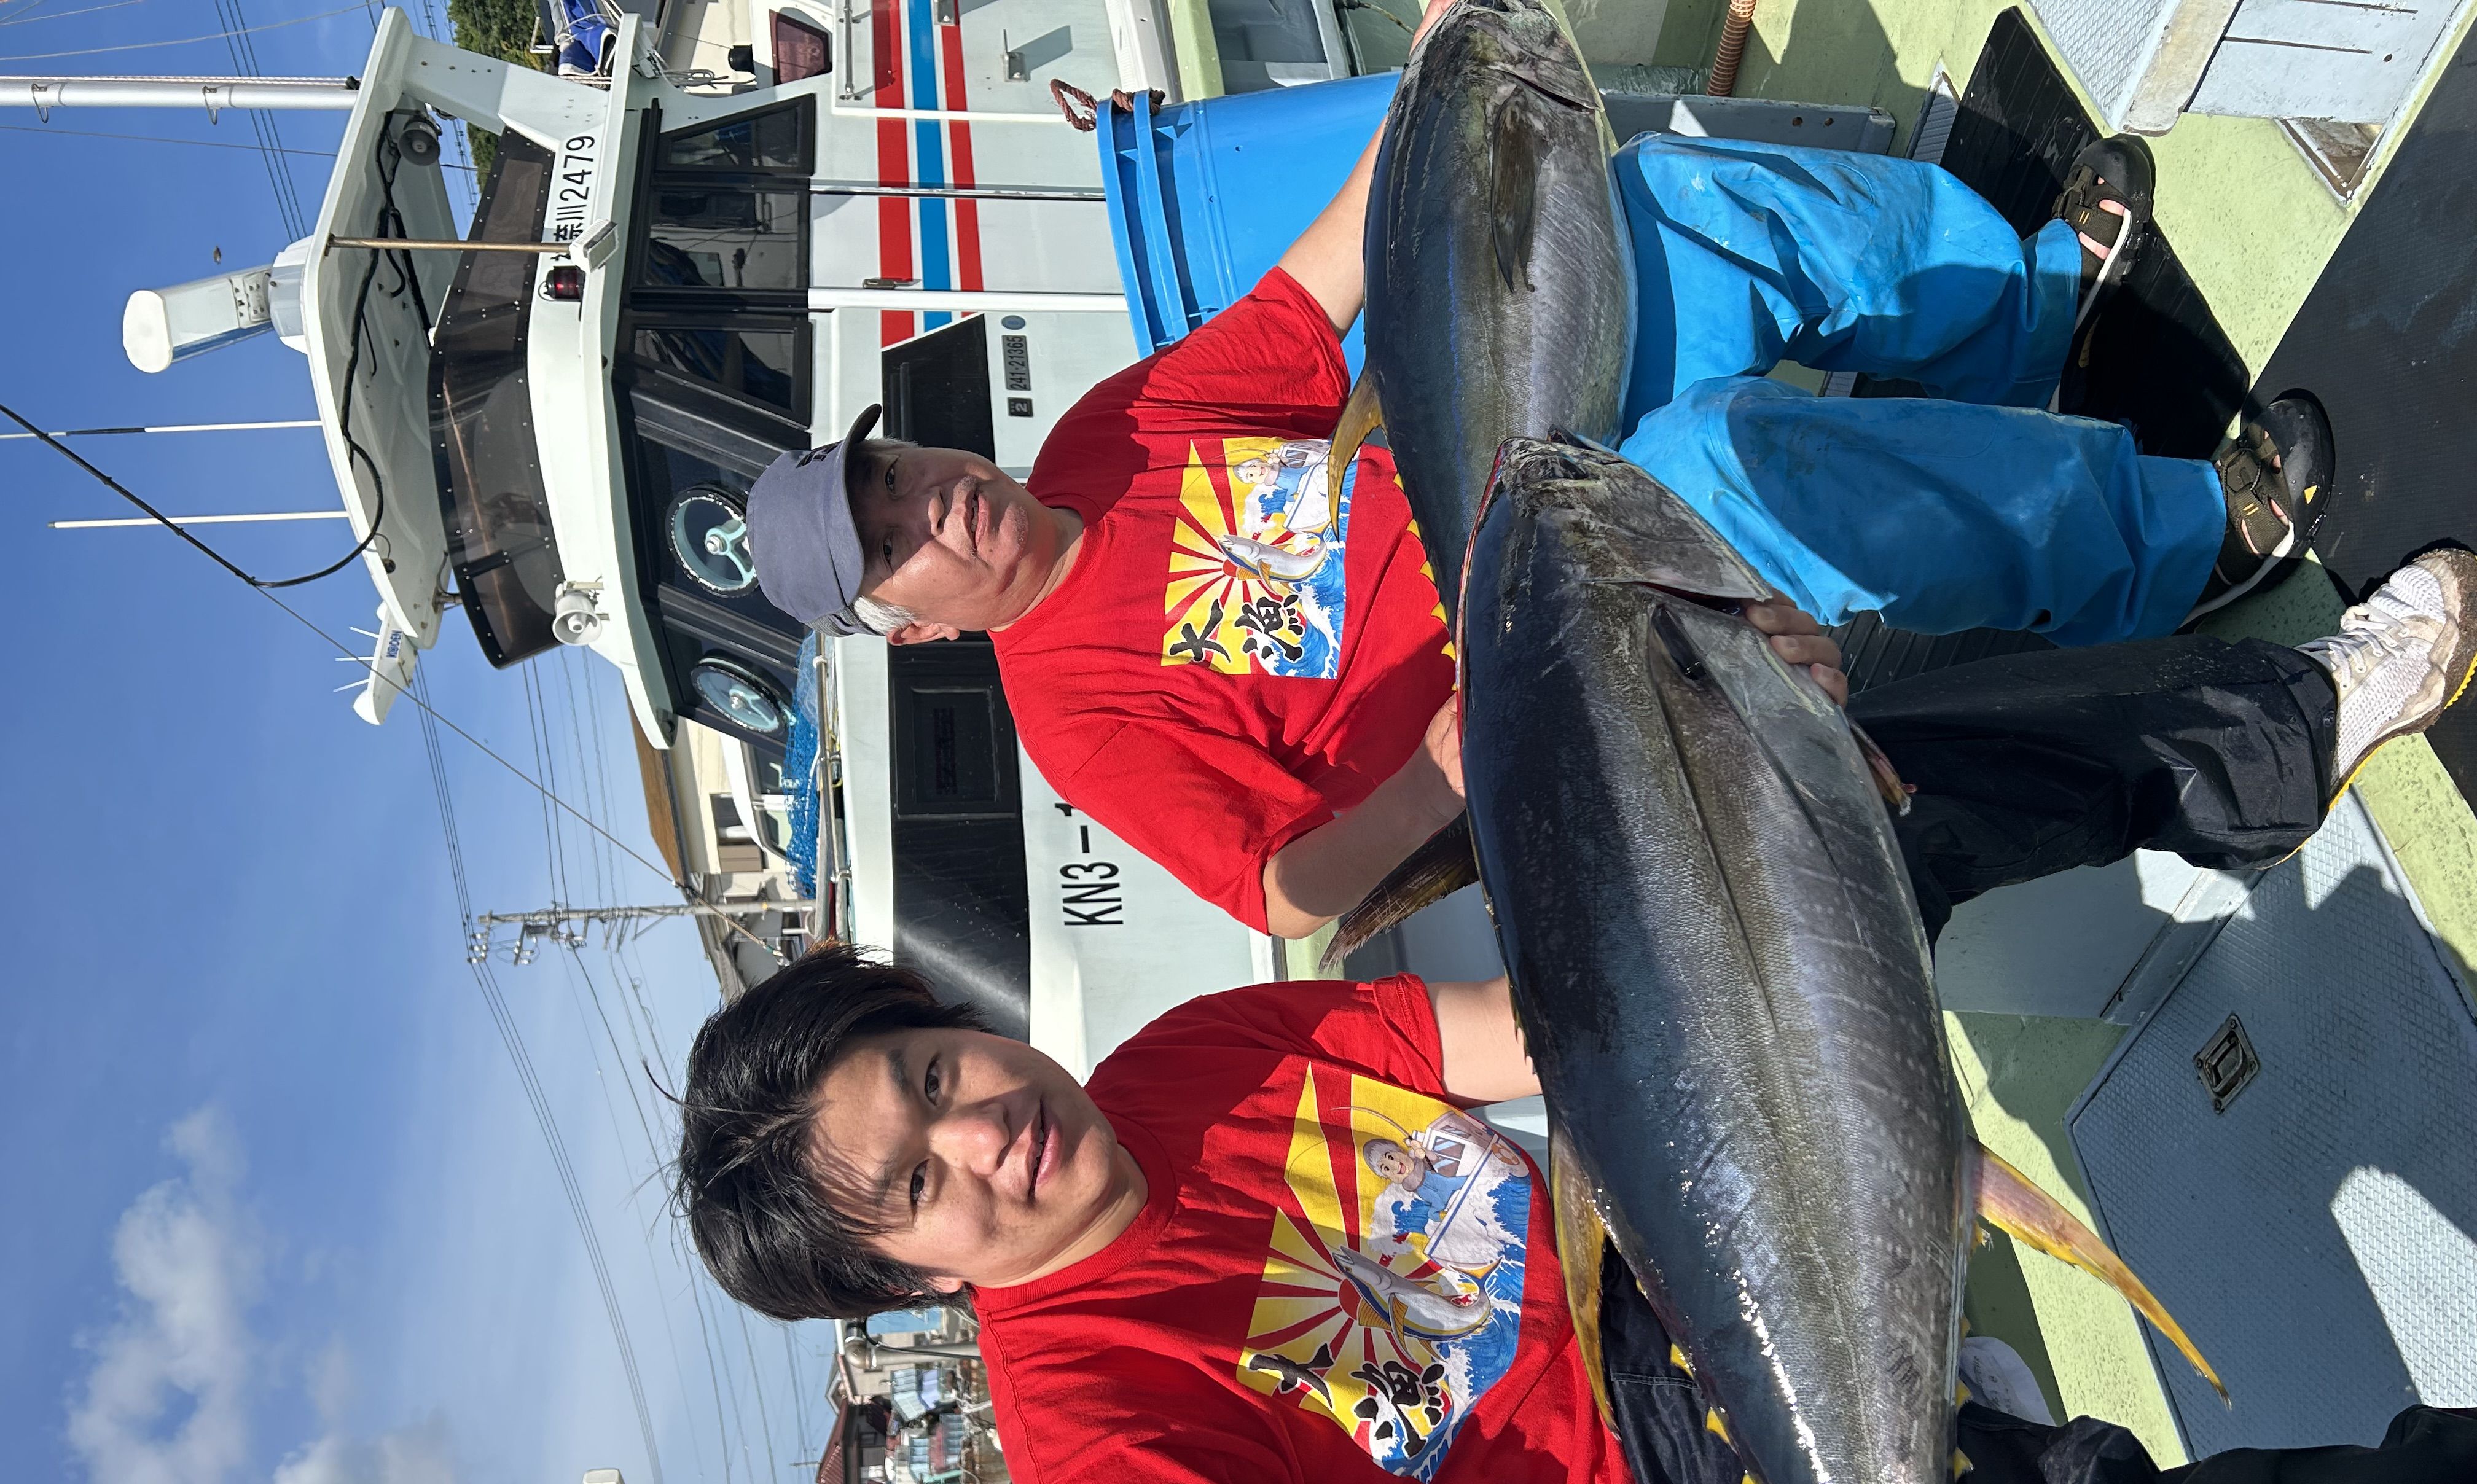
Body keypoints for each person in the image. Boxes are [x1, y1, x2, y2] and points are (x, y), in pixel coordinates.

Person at [675, 555, 2477, 1484]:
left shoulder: (1186, 1063)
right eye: (920, 1182)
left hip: (1685, 1274)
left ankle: (2284, 722)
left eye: (934, 1072)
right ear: (907, 1278)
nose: (988, 1130)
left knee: (1795, 803)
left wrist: (1756, 742)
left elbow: (1550, 1026)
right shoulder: (1101, 1455)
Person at [744, 0, 2330, 940]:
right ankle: (2171, 550)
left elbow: (1309, 293)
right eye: (889, 547)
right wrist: (1436, 774)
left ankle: (2020, 313)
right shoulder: (1078, 719)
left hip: (1514, 458)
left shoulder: (1109, 431)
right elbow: (1282, 895)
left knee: (1653, 216)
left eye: (889, 475)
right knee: (1717, 466)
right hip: (1549, 652)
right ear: (920, 623)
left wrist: (1441, 75)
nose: (924, 503)